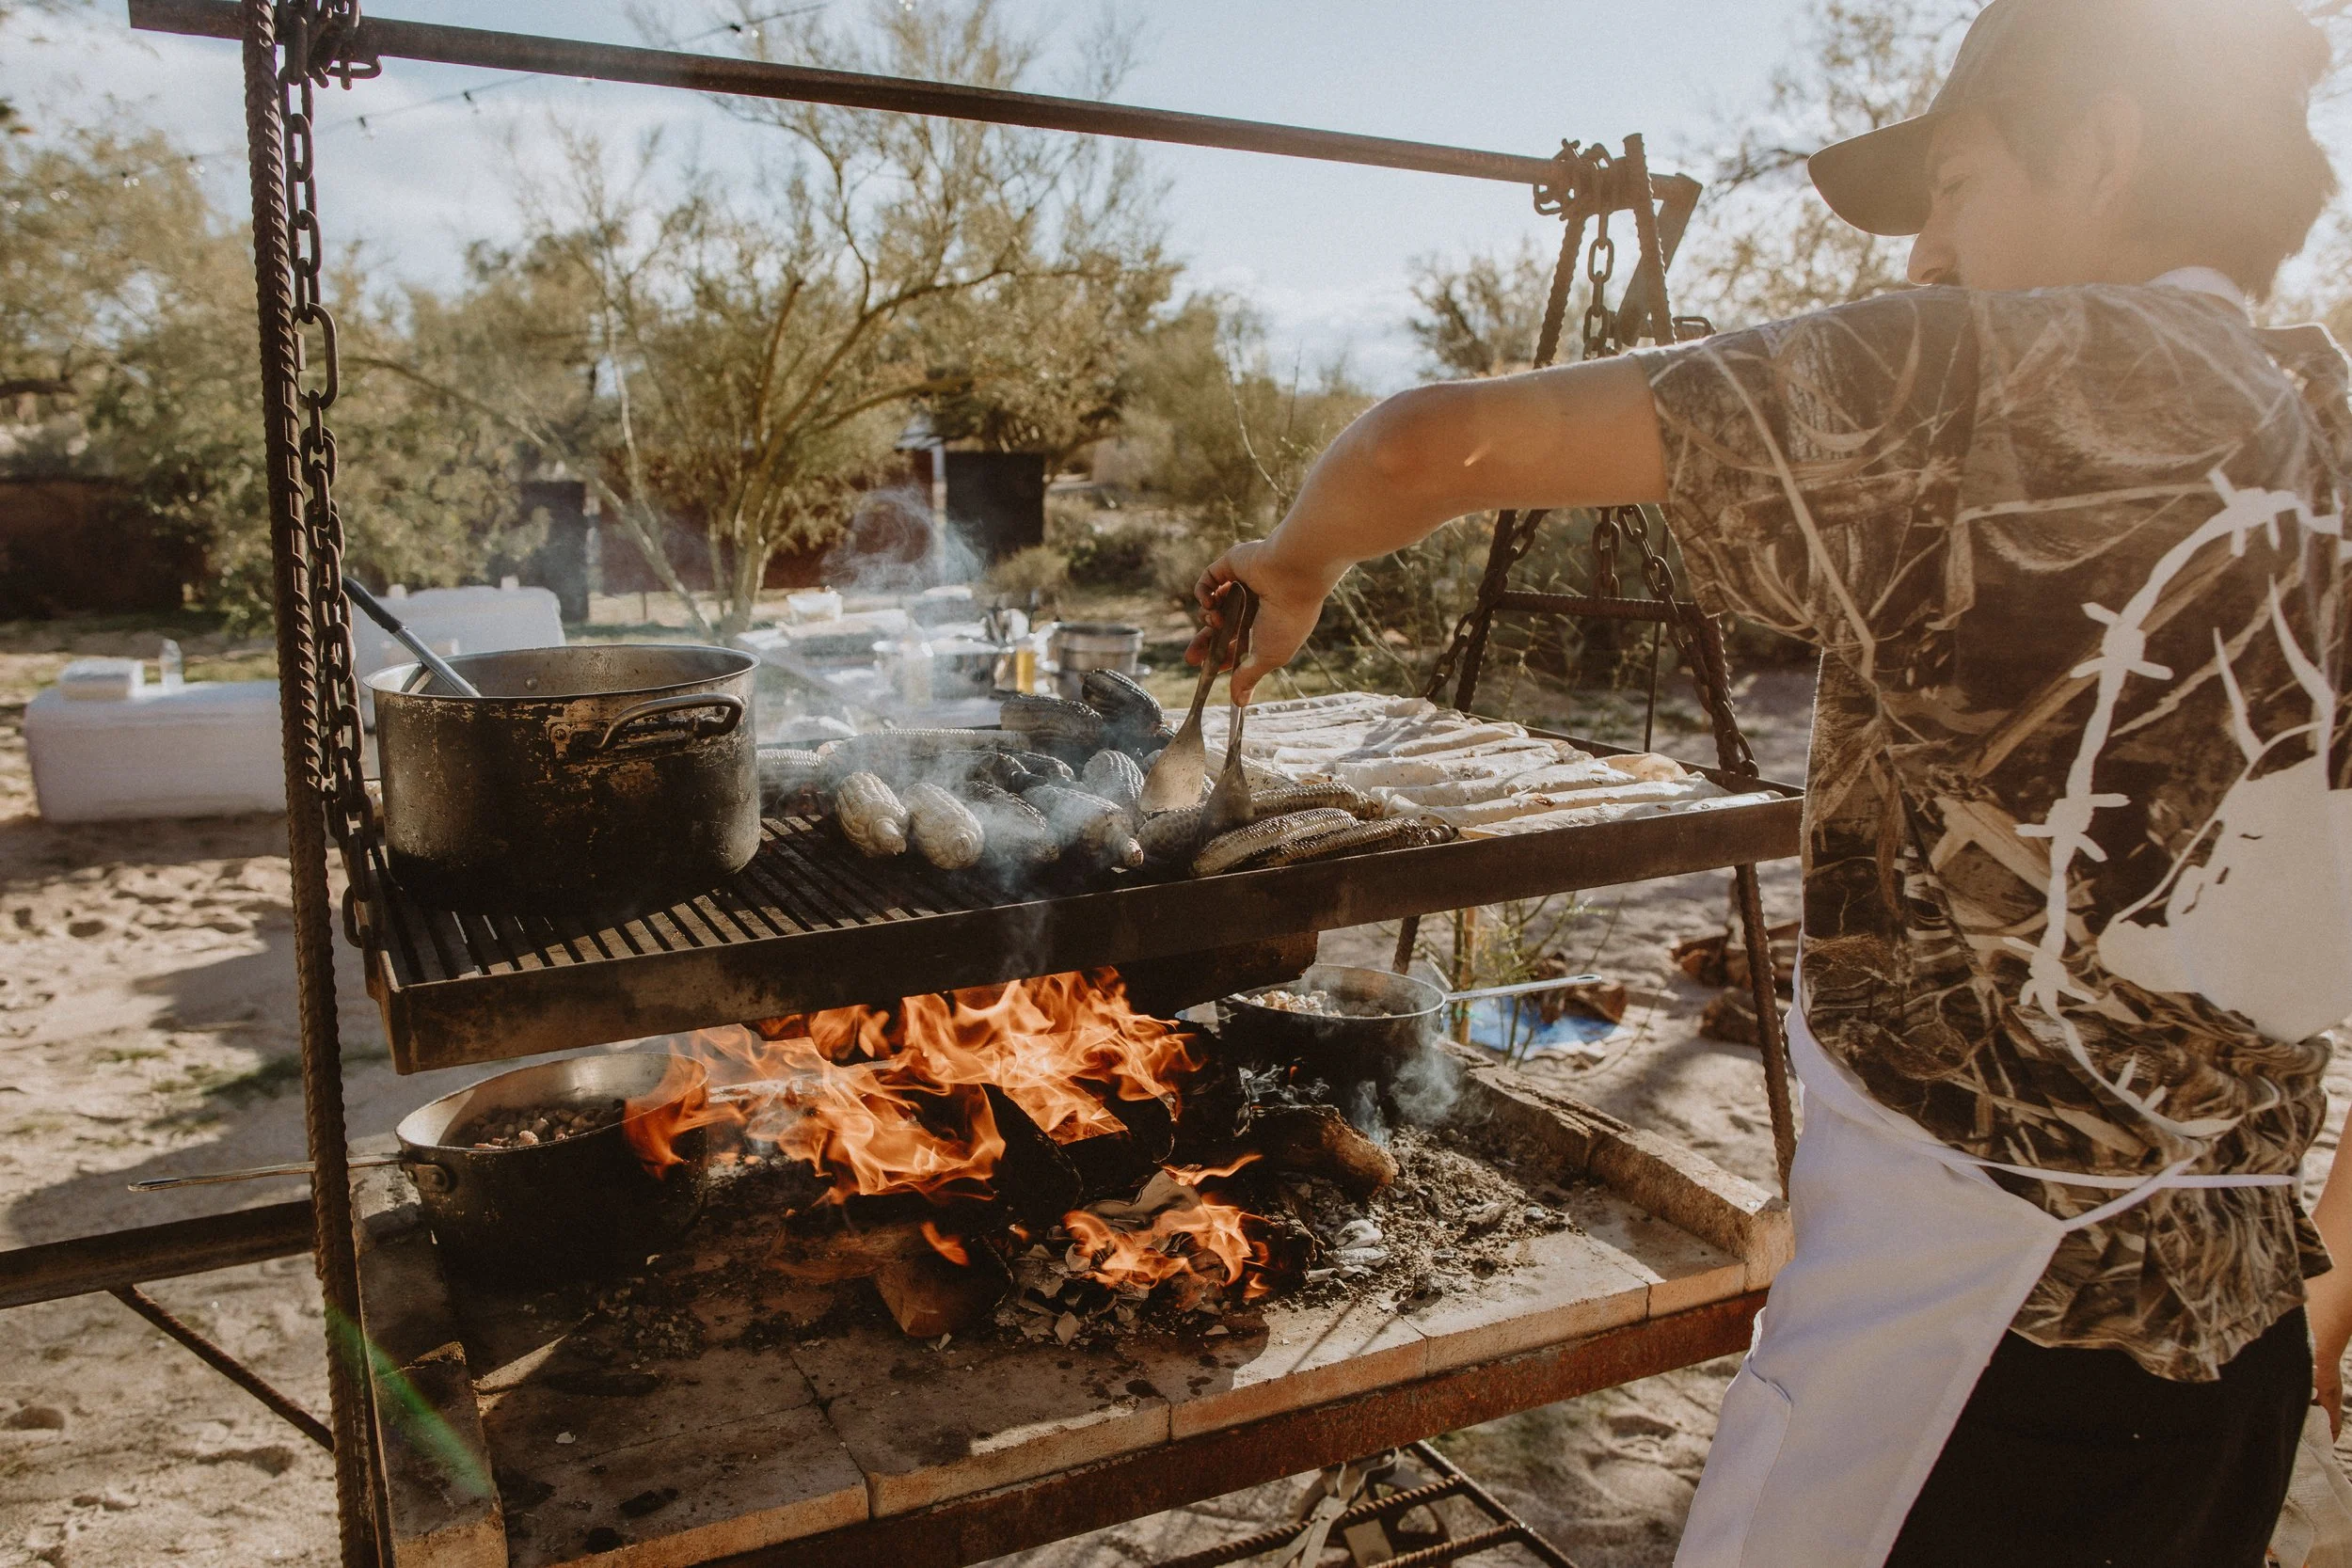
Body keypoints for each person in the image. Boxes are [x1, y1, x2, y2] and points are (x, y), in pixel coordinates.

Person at [1189, 1, 2352, 1562]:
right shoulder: (2335, 429)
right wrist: (2327, 1293)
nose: (1928, 251)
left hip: (1958, 1359)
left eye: (1956, 184)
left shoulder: (1988, 380)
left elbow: (1430, 447)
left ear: (2102, 148)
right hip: (2242, 1349)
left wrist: (1295, 560)